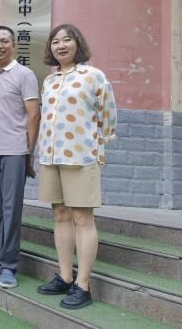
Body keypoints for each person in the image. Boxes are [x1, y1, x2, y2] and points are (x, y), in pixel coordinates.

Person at [36, 24, 117, 309]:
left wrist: (96, 148)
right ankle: (65, 276)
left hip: (81, 157)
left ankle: (83, 285)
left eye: (66, 40)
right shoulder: (49, 80)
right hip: (50, 156)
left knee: (83, 218)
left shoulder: (93, 76)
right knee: (60, 214)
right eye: (55, 41)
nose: (60, 45)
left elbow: (109, 117)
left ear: (77, 43)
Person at [0, 26, 40, 289]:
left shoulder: (25, 74)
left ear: (13, 44)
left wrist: (30, 153)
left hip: (15, 150)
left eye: (4, 41)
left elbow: (33, 116)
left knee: (11, 209)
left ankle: (9, 266)